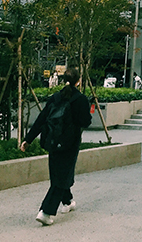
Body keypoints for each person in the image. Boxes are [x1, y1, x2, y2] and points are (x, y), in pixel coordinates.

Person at [21, 67, 92, 226]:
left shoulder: (55, 97)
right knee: (62, 177)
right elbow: (85, 122)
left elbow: (41, 119)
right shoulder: (80, 99)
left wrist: (28, 139)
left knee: (59, 173)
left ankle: (67, 202)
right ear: (78, 81)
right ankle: (46, 212)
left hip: (52, 142)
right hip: (70, 143)